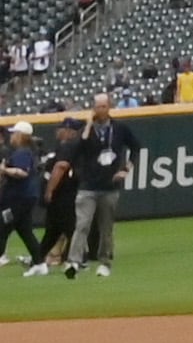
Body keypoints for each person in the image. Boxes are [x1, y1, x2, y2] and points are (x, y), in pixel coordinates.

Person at [60, 100, 128, 278]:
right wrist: (88, 125)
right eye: (98, 106)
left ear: (109, 108)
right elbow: (75, 149)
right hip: (88, 187)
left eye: (104, 106)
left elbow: (135, 146)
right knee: (82, 224)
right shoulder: (87, 132)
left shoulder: (118, 129)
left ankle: (105, 262)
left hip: (109, 187)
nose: (101, 110)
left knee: (105, 227)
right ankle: (73, 261)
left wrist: (126, 168)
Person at [0, 122, 45, 273]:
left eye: (14, 133)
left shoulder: (22, 153)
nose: (11, 136)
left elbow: (22, 172)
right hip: (23, 197)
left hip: (18, 198)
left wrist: (4, 170)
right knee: (24, 230)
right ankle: (40, 263)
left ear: (20, 135)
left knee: (3, 227)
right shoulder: (25, 151)